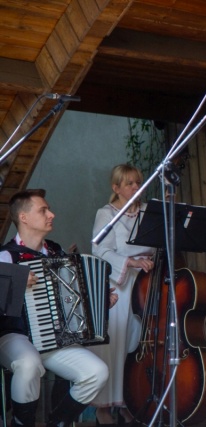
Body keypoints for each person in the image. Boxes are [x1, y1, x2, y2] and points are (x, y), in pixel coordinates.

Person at [0, 189, 111, 427]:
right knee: (28, 364)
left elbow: (72, 299)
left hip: (53, 338)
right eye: (43, 210)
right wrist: (17, 281)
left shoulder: (56, 252)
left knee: (97, 372)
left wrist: (98, 303)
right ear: (24, 217)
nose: (51, 214)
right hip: (14, 335)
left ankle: (58, 422)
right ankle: (21, 423)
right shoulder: (6, 256)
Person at [89, 164, 155, 426]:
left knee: (137, 343)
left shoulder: (148, 211)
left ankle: (129, 401)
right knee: (114, 344)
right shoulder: (106, 213)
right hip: (119, 284)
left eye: (138, 182)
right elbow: (100, 250)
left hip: (147, 283)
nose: (136, 187)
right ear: (116, 188)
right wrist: (131, 262)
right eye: (129, 183)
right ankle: (105, 407)